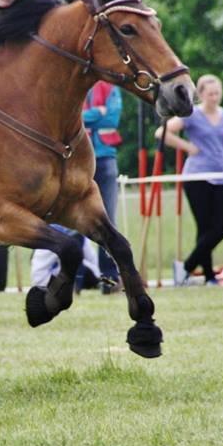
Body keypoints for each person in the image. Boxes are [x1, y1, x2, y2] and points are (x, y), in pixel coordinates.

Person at [157, 74, 223, 286]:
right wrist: (188, 147)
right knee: (204, 226)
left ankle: (186, 267)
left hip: (220, 176)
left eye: (217, 93)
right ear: (201, 94)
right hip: (197, 175)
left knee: (222, 226)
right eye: (210, 93)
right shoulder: (192, 114)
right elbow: (162, 133)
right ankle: (209, 276)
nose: (214, 97)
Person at [83, 80, 123, 291]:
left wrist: (86, 118)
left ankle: (110, 279)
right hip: (77, 160)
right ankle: (76, 279)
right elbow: (68, 118)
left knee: (107, 221)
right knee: (72, 223)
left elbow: (112, 118)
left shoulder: (110, 87)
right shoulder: (71, 80)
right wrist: (97, 113)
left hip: (105, 158)